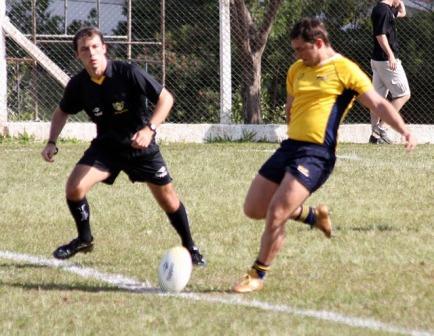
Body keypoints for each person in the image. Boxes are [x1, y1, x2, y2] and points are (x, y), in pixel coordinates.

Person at [232, 17, 416, 293]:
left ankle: (257, 274)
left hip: (316, 154)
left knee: (277, 211)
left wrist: (404, 130)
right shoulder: (296, 69)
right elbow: (291, 107)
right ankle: (313, 216)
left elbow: (378, 102)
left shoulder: (345, 70)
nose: (297, 55)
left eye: (300, 49)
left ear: (319, 43)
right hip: (290, 147)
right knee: (254, 208)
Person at [41, 26, 206, 266]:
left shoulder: (128, 72)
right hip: (107, 148)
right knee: (74, 188)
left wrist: (149, 129)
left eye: (96, 47)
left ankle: (190, 246)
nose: (92, 53)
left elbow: (166, 98)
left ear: (104, 48)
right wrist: (51, 142)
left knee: (168, 199)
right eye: (85, 50)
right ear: (78, 55)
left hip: (140, 146)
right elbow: (61, 112)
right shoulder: (78, 85)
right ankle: (84, 239)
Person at [369, 0, 410, 144]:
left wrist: (400, 4)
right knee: (404, 94)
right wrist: (391, 55)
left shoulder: (386, 10)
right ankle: (382, 127)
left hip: (378, 61)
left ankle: (374, 136)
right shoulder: (383, 11)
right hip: (387, 61)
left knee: (377, 99)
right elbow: (380, 35)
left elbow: (403, 14)